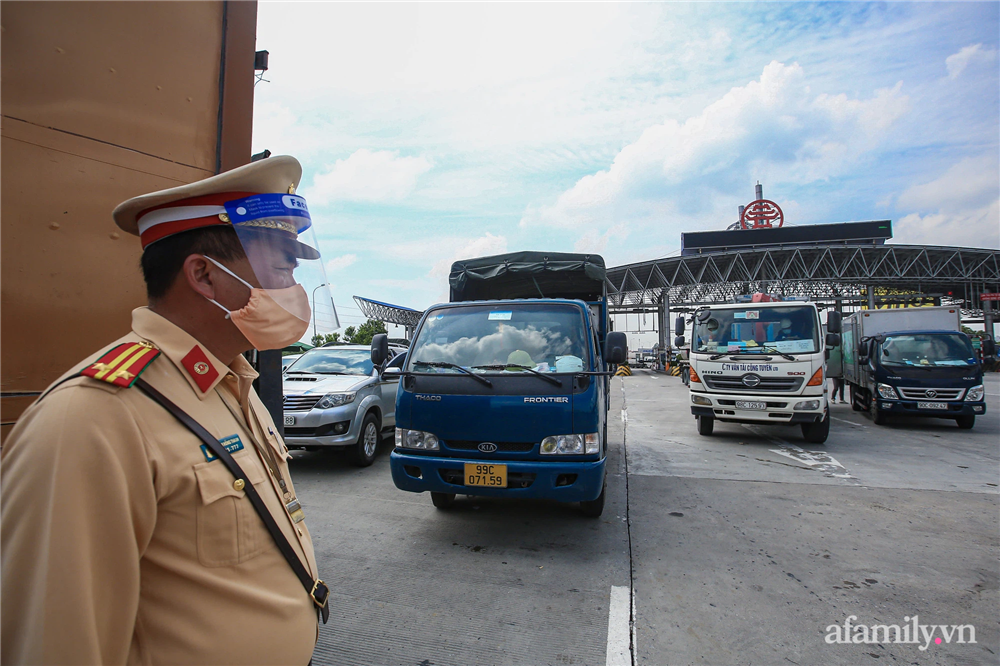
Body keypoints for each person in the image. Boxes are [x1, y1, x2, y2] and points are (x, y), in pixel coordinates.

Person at [0, 156, 330, 665]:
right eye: (282, 264)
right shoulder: (93, 417)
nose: (294, 285)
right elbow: (57, 643)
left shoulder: (231, 381)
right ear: (204, 275)